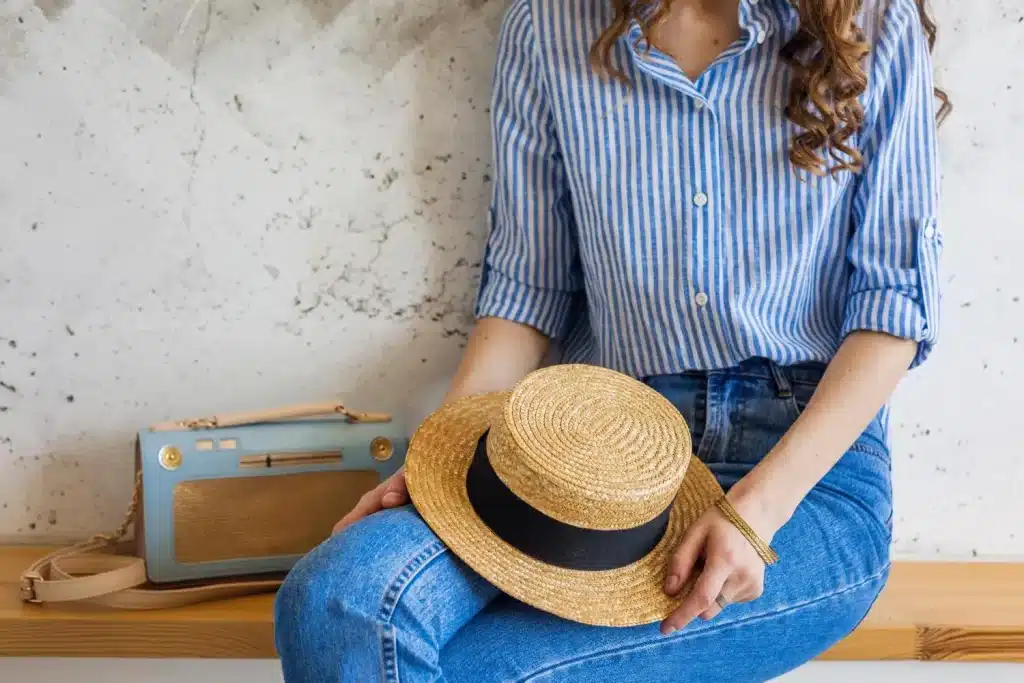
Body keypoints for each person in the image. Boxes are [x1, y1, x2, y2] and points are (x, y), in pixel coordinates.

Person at [274, 0, 948, 680]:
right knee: (338, 603)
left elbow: (893, 307)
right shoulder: (548, 24)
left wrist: (756, 512)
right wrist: (443, 465)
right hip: (592, 458)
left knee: (485, 669)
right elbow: (527, 290)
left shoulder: (872, 21)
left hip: (808, 475)